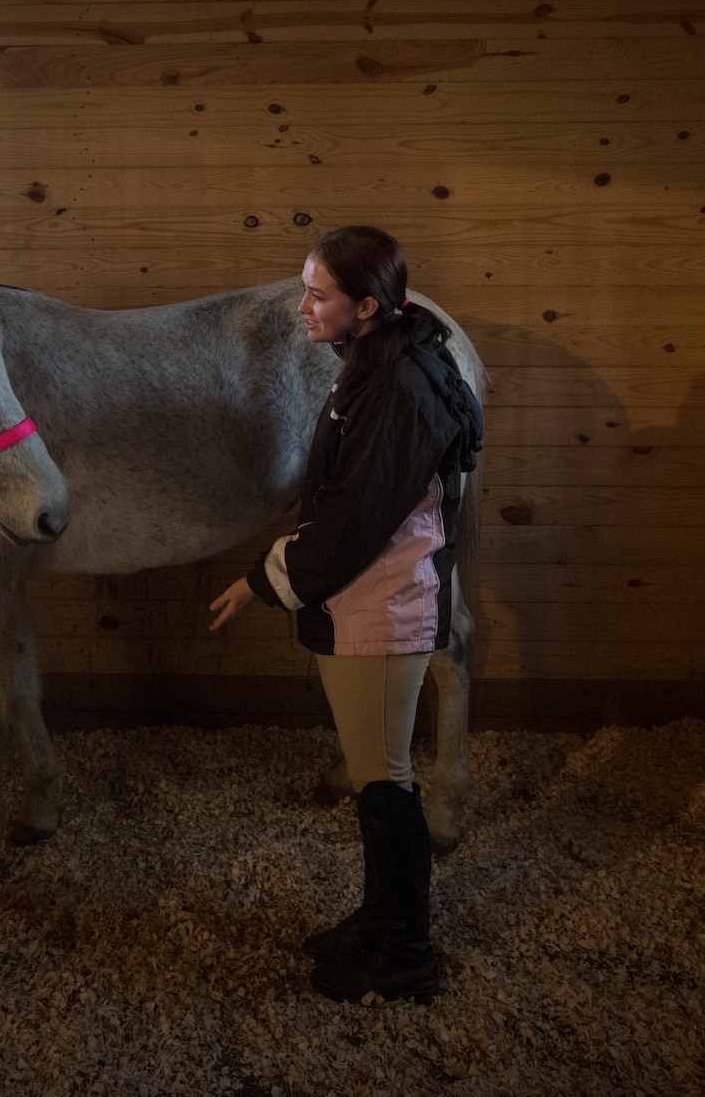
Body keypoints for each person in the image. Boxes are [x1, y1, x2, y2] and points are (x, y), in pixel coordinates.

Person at [209, 224, 482, 1004]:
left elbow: (356, 516)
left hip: (383, 606)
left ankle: (405, 953)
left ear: (366, 304)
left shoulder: (397, 389)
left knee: (386, 786)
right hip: (364, 598)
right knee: (377, 783)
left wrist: (264, 580)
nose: (302, 305)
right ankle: (379, 919)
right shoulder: (375, 363)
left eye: (317, 293)